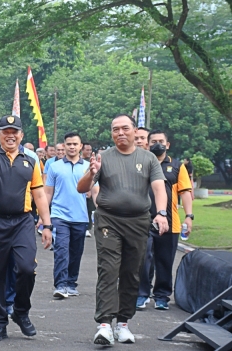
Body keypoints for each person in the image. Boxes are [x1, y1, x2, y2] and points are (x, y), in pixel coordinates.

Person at [77, 114, 168, 346]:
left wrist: (161, 212)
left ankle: (123, 323)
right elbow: (82, 188)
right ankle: (105, 324)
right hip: (109, 220)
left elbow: (158, 188)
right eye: (115, 129)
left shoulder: (148, 158)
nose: (120, 133)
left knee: (132, 272)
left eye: (124, 128)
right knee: (108, 269)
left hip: (138, 221)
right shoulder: (103, 157)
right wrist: (91, 171)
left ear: (134, 131)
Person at [0, 107, 53, 342]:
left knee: (27, 268)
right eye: (5, 131)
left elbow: (39, 195)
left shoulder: (31, 162)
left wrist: (46, 226)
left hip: (23, 223)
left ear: (20, 134)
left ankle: (20, 311)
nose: (10, 135)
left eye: (14, 131)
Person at [137, 130, 193, 310]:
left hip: (170, 222)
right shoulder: (141, 164)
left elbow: (185, 193)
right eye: (153, 141)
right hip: (143, 220)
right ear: (147, 144)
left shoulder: (177, 166)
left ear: (167, 145)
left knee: (165, 260)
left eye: (161, 141)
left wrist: (189, 217)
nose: (157, 144)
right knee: (142, 259)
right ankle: (142, 294)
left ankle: (162, 296)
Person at [44, 132, 89, 299]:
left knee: (76, 252)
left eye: (75, 144)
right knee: (61, 249)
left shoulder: (88, 167)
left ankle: (71, 282)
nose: (71, 147)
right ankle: (61, 284)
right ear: (64, 145)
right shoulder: (55, 167)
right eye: (68, 144)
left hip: (81, 216)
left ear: (80, 146)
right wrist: (44, 216)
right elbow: (47, 193)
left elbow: (96, 191)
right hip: (59, 215)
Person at [81, 143, 95, 237]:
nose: (89, 152)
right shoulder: (80, 161)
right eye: (87, 150)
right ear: (82, 150)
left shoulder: (91, 161)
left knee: (89, 210)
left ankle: (87, 228)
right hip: (80, 188)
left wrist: (90, 189)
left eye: (90, 150)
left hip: (90, 189)